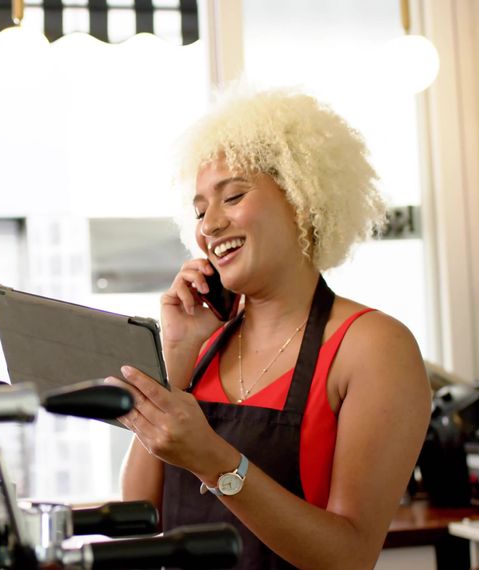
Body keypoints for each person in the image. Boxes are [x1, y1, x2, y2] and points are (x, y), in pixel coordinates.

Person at [107, 89, 432, 569]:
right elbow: (141, 516)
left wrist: (214, 459)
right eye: (199, 211)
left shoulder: (372, 347)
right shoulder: (200, 347)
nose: (210, 225)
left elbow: (350, 555)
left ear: (303, 200)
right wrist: (174, 355)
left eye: (233, 196)